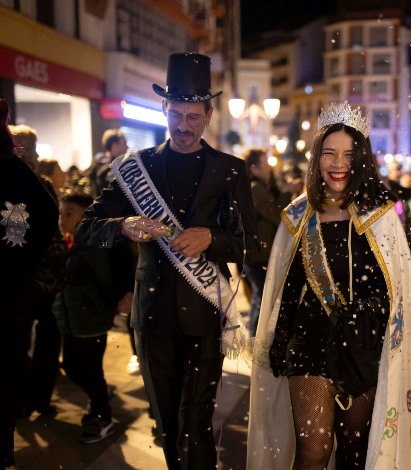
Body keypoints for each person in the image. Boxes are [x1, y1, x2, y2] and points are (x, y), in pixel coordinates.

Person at [75, 53, 259, 470]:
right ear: (163, 109)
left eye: (193, 117)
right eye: (176, 115)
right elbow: (86, 228)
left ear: (209, 115)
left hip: (204, 311)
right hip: (152, 316)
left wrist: (212, 237)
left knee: (194, 421)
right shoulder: (134, 169)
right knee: (166, 423)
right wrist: (123, 225)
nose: (183, 126)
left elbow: (252, 243)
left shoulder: (230, 171)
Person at [247, 102, 411, 469]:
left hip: (364, 345)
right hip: (311, 341)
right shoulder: (299, 215)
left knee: (354, 453)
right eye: (329, 153)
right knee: (313, 452)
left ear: (361, 159)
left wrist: (363, 314)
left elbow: (397, 295)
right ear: (317, 159)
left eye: (348, 154)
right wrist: (278, 343)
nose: (338, 163)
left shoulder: (380, 216)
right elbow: (288, 285)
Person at [0, 98, 61, 468]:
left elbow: (22, 228)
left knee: (10, 367)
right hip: (15, 291)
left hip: (12, 295)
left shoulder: (19, 180)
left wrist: (13, 266)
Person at [53, 190, 133, 443]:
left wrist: (120, 299)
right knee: (72, 367)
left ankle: (102, 416)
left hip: (91, 320)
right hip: (70, 320)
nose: (62, 219)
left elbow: (109, 277)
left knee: (90, 370)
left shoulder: (91, 247)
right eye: (61, 213)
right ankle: (98, 397)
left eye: (69, 213)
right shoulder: (65, 243)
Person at [242, 147, 292, 339]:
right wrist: (287, 193)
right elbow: (277, 214)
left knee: (261, 296)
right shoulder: (255, 190)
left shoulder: (260, 188)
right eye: (265, 163)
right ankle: (254, 338)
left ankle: (255, 337)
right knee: (261, 297)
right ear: (254, 168)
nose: (269, 168)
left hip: (259, 252)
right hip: (257, 254)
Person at [87, 129, 128, 197]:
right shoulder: (113, 167)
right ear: (115, 145)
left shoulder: (96, 162)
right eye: (124, 143)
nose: (127, 146)